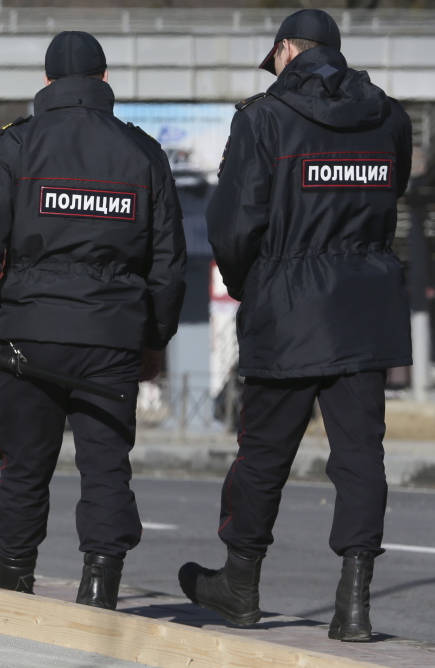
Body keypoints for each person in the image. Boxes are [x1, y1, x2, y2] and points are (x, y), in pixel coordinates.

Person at [178, 9, 413, 642]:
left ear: (285, 50)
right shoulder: (388, 117)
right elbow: (391, 196)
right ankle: (356, 603)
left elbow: (231, 224)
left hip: (286, 310)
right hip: (365, 310)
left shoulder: (262, 119)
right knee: (362, 456)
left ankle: (240, 584)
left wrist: (249, 284)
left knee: (262, 456)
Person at [0, 31, 186, 610]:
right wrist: (154, 338)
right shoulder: (143, 152)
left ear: (46, 83)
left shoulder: (18, 146)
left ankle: (14, 580)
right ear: (105, 81)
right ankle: (100, 589)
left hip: (31, 337)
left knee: (24, 465)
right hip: (112, 339)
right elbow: (169, 260)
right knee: (106, 467)